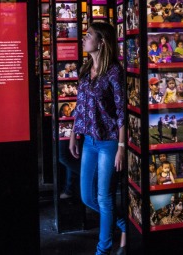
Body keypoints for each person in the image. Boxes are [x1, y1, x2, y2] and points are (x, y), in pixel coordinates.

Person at [69, 21, 126, 255]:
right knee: (87, 196)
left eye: (89, 35)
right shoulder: (84, 69)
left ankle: (102, 250)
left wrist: (122, 146)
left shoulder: (114, 72)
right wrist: (74, 134)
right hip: (89, 142)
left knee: (104, 197)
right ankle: (125, 224)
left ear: (101, 42)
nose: (84, 38)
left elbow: (122, 112)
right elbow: (80, 107)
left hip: (109, 142)